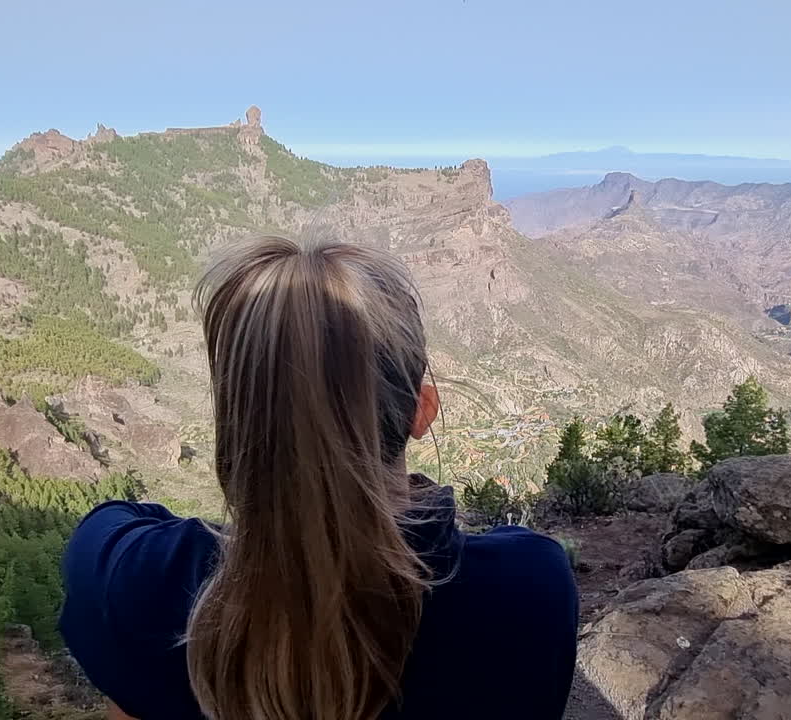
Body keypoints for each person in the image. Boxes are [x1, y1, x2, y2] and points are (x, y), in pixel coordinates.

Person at [59, 236, 579, 720]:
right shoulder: (531, 589)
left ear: (236, 422)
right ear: (422, 410)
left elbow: (109, 525)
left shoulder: (139, 586)